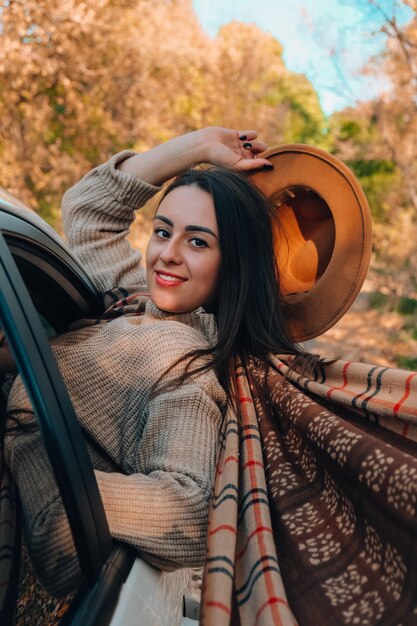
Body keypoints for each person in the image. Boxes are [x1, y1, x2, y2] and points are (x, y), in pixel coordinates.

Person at [4, 127, 304, 597]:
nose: (167, 254)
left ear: (235, 265)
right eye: (163, 232)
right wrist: (201, 146)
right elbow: (89, 212)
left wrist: (48, 464)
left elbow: (187, 507)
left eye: (198, 243)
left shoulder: (183, 360)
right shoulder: (136, 300)